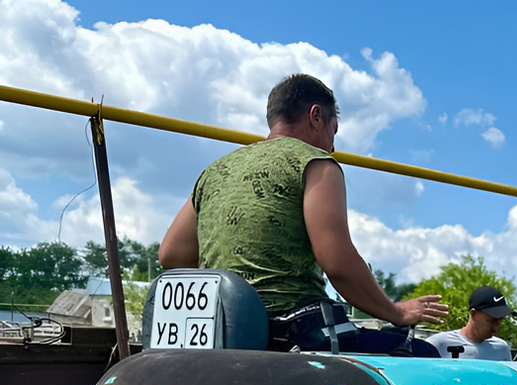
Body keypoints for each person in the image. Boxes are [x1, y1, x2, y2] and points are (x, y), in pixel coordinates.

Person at [158, 73, 448, 355]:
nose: (333, 146)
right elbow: (337, 264)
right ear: (316, 116)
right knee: (424, 353)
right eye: (333, 132)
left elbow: (171, 255)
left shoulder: (215, 171)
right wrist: (395, 312)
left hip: (220, 331)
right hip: (290, 331)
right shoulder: (317, 163)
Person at [425, 286, 516, 360]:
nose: (496, 328)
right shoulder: (438, 344)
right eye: (491, 320)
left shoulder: (501, 348)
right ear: (473, 314)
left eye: (499, 321)